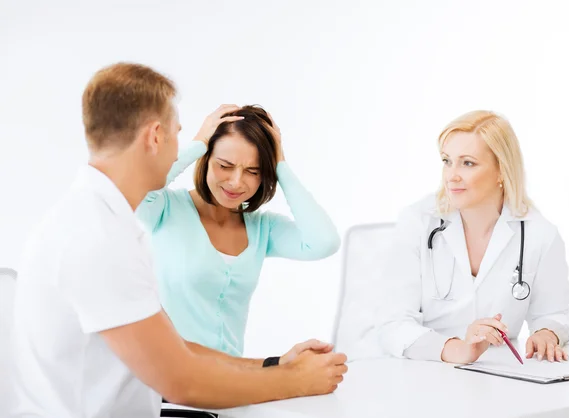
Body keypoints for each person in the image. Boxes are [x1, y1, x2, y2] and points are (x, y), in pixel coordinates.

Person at [8, 63, 347, 418]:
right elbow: (181, 382)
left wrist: (277, 366)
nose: (182, 150)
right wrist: (295, 382)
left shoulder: (104, 222)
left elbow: (178, 351)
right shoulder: (96, 236)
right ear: (156, 136)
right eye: (180, 135)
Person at [135, 104, 340, 356]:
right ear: (206, 159)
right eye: (225, 165)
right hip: (168, 385)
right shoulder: (165, 209)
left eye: (253, 171)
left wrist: (280, 166)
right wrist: (199, 142)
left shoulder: (262, 228)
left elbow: (325, 242)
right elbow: (137, 186)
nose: (236, 182)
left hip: (230, 384)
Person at [377, 110, 569, 364]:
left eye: (467, 163)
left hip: (501, 374)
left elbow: (558, 312)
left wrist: (547, 333)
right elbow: (392, 323)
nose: (452, 175)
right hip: (424, 369)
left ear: (501, 170)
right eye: (447, 161)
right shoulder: (417, 222)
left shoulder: (539, 233)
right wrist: (457, 349)